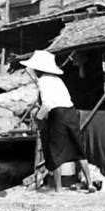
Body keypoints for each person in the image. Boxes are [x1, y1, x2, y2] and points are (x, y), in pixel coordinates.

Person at [21, 48, 98, 192]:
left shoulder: (43, 81)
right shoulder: (58, 80)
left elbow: (47, 104)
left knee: (54, 150)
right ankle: (90, 183)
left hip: (59, 114)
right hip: (71, 112)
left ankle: (58, 188)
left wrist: (37, 119)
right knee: (78, 148)